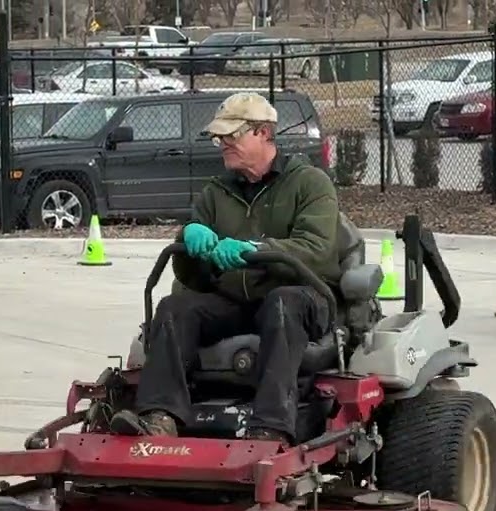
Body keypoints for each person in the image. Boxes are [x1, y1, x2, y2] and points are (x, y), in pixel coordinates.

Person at [109, 92, 343, 445]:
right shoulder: (215, 194)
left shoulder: (309, 183)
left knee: (282, 303)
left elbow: (316, 250)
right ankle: (160, 417)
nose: (222, 145)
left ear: (263, 133)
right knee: (175, 308)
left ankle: (271, 426)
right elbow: (192, 278)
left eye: (231, 136)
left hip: (302, 297)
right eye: (219, 137)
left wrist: (256, 249)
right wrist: (187, 239)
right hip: (236, 299)